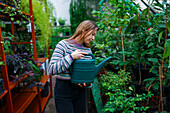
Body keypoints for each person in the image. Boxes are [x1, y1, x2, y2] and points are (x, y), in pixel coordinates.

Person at [48, 20, 99, 113]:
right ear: (84, 31)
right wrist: (71, 57)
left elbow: (86, 73)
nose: (93, 38)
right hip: (63, 90)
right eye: (92, 34)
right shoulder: (63, 45)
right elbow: (51, 69)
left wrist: (86, 83)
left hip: (80, 91)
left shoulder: (87, 50)